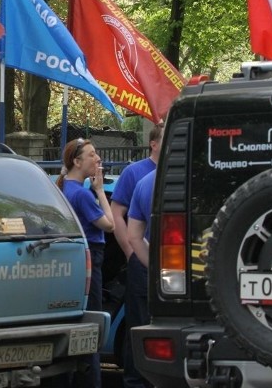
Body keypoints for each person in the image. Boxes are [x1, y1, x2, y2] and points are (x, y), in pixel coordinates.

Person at [56, 137, 114, 388]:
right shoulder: (82, 195)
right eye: (92, 155)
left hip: (72, 261)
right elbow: (110, 225)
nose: (98, 158)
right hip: (91, 258)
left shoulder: (62, 189)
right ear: (77, 162)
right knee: (91, 326)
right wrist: (100, 190)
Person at [110, 123, 163, 388]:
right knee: (139, 324)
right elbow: (116, 213)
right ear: (153, 143)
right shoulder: (136, 174)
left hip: (170, 267)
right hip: (142, 261)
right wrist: (132, 251)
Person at [125, 165, 158, 388]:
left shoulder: (145, 183)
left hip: (150, 267)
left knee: (139, 332)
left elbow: (134, 236)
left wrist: (155, 267)